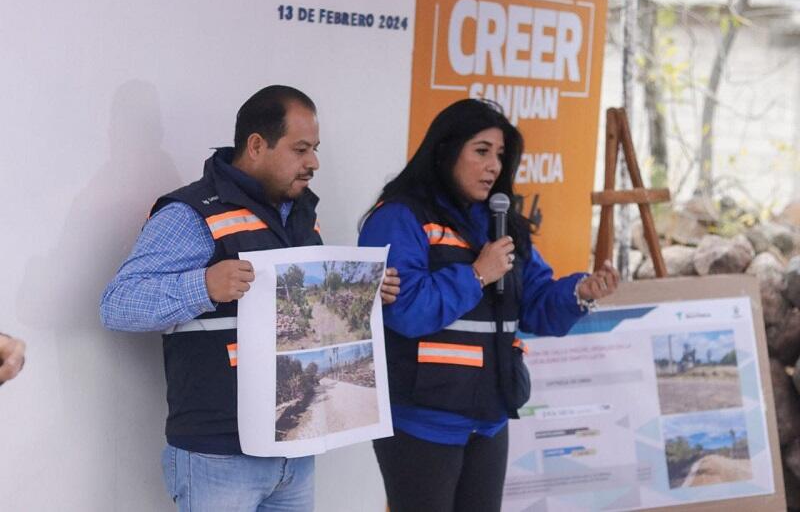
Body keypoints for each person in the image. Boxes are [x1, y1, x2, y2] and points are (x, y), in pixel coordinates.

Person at [100, 85, 400, 512]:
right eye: (300, 149)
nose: (313, 162)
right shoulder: (191, 214)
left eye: (314, 149)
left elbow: (304, 319)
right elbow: (117, 304)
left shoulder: (300, 217)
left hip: (295, 445)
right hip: (218, 453)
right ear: (257, 145)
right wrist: (202, 286)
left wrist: (362, 296)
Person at [358, 99, 619, 512]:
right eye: (481, 151)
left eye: (499, 155)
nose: (494, 166)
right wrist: (477, 274)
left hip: (490, 418)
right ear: (446, 151)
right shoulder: (399, 217)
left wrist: (579, 292)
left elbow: (534, 303)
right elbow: (406, 309)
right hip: (421, 419)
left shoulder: (503, 225)